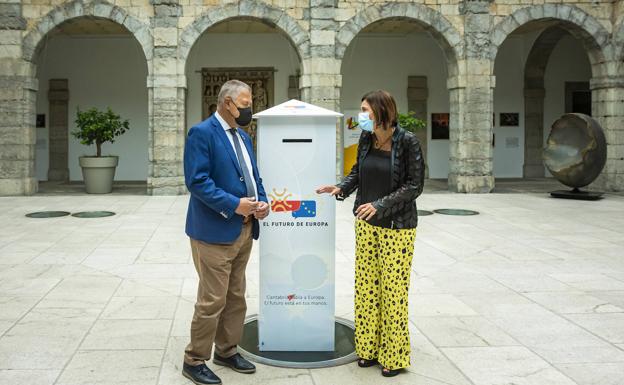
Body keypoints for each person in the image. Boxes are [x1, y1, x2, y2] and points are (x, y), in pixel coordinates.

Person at [317, 90, 424, 377]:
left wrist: (379, 205)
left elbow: (414, 186)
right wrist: (341, 187)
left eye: (365, 110)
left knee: (393, 292)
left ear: (381, 111)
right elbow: (358, 172)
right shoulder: (366, 138)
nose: (361, 115)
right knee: (366, 288)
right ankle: (367, 348)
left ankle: (394, 354)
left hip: (396, 228)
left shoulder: (407, 141)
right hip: (365, 225)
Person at [183, 79, 270, 385]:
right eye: (245, 105)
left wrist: (262, 202)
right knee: (212, 299)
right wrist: (235, 205)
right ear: (227, 103)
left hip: (244, 229)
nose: (249, 110)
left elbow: (254, 176)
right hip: (213, 232)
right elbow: (197, 181)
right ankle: (194, 359)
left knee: (235, 297)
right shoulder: (202, 133)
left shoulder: (244, 137)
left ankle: (227, 349)